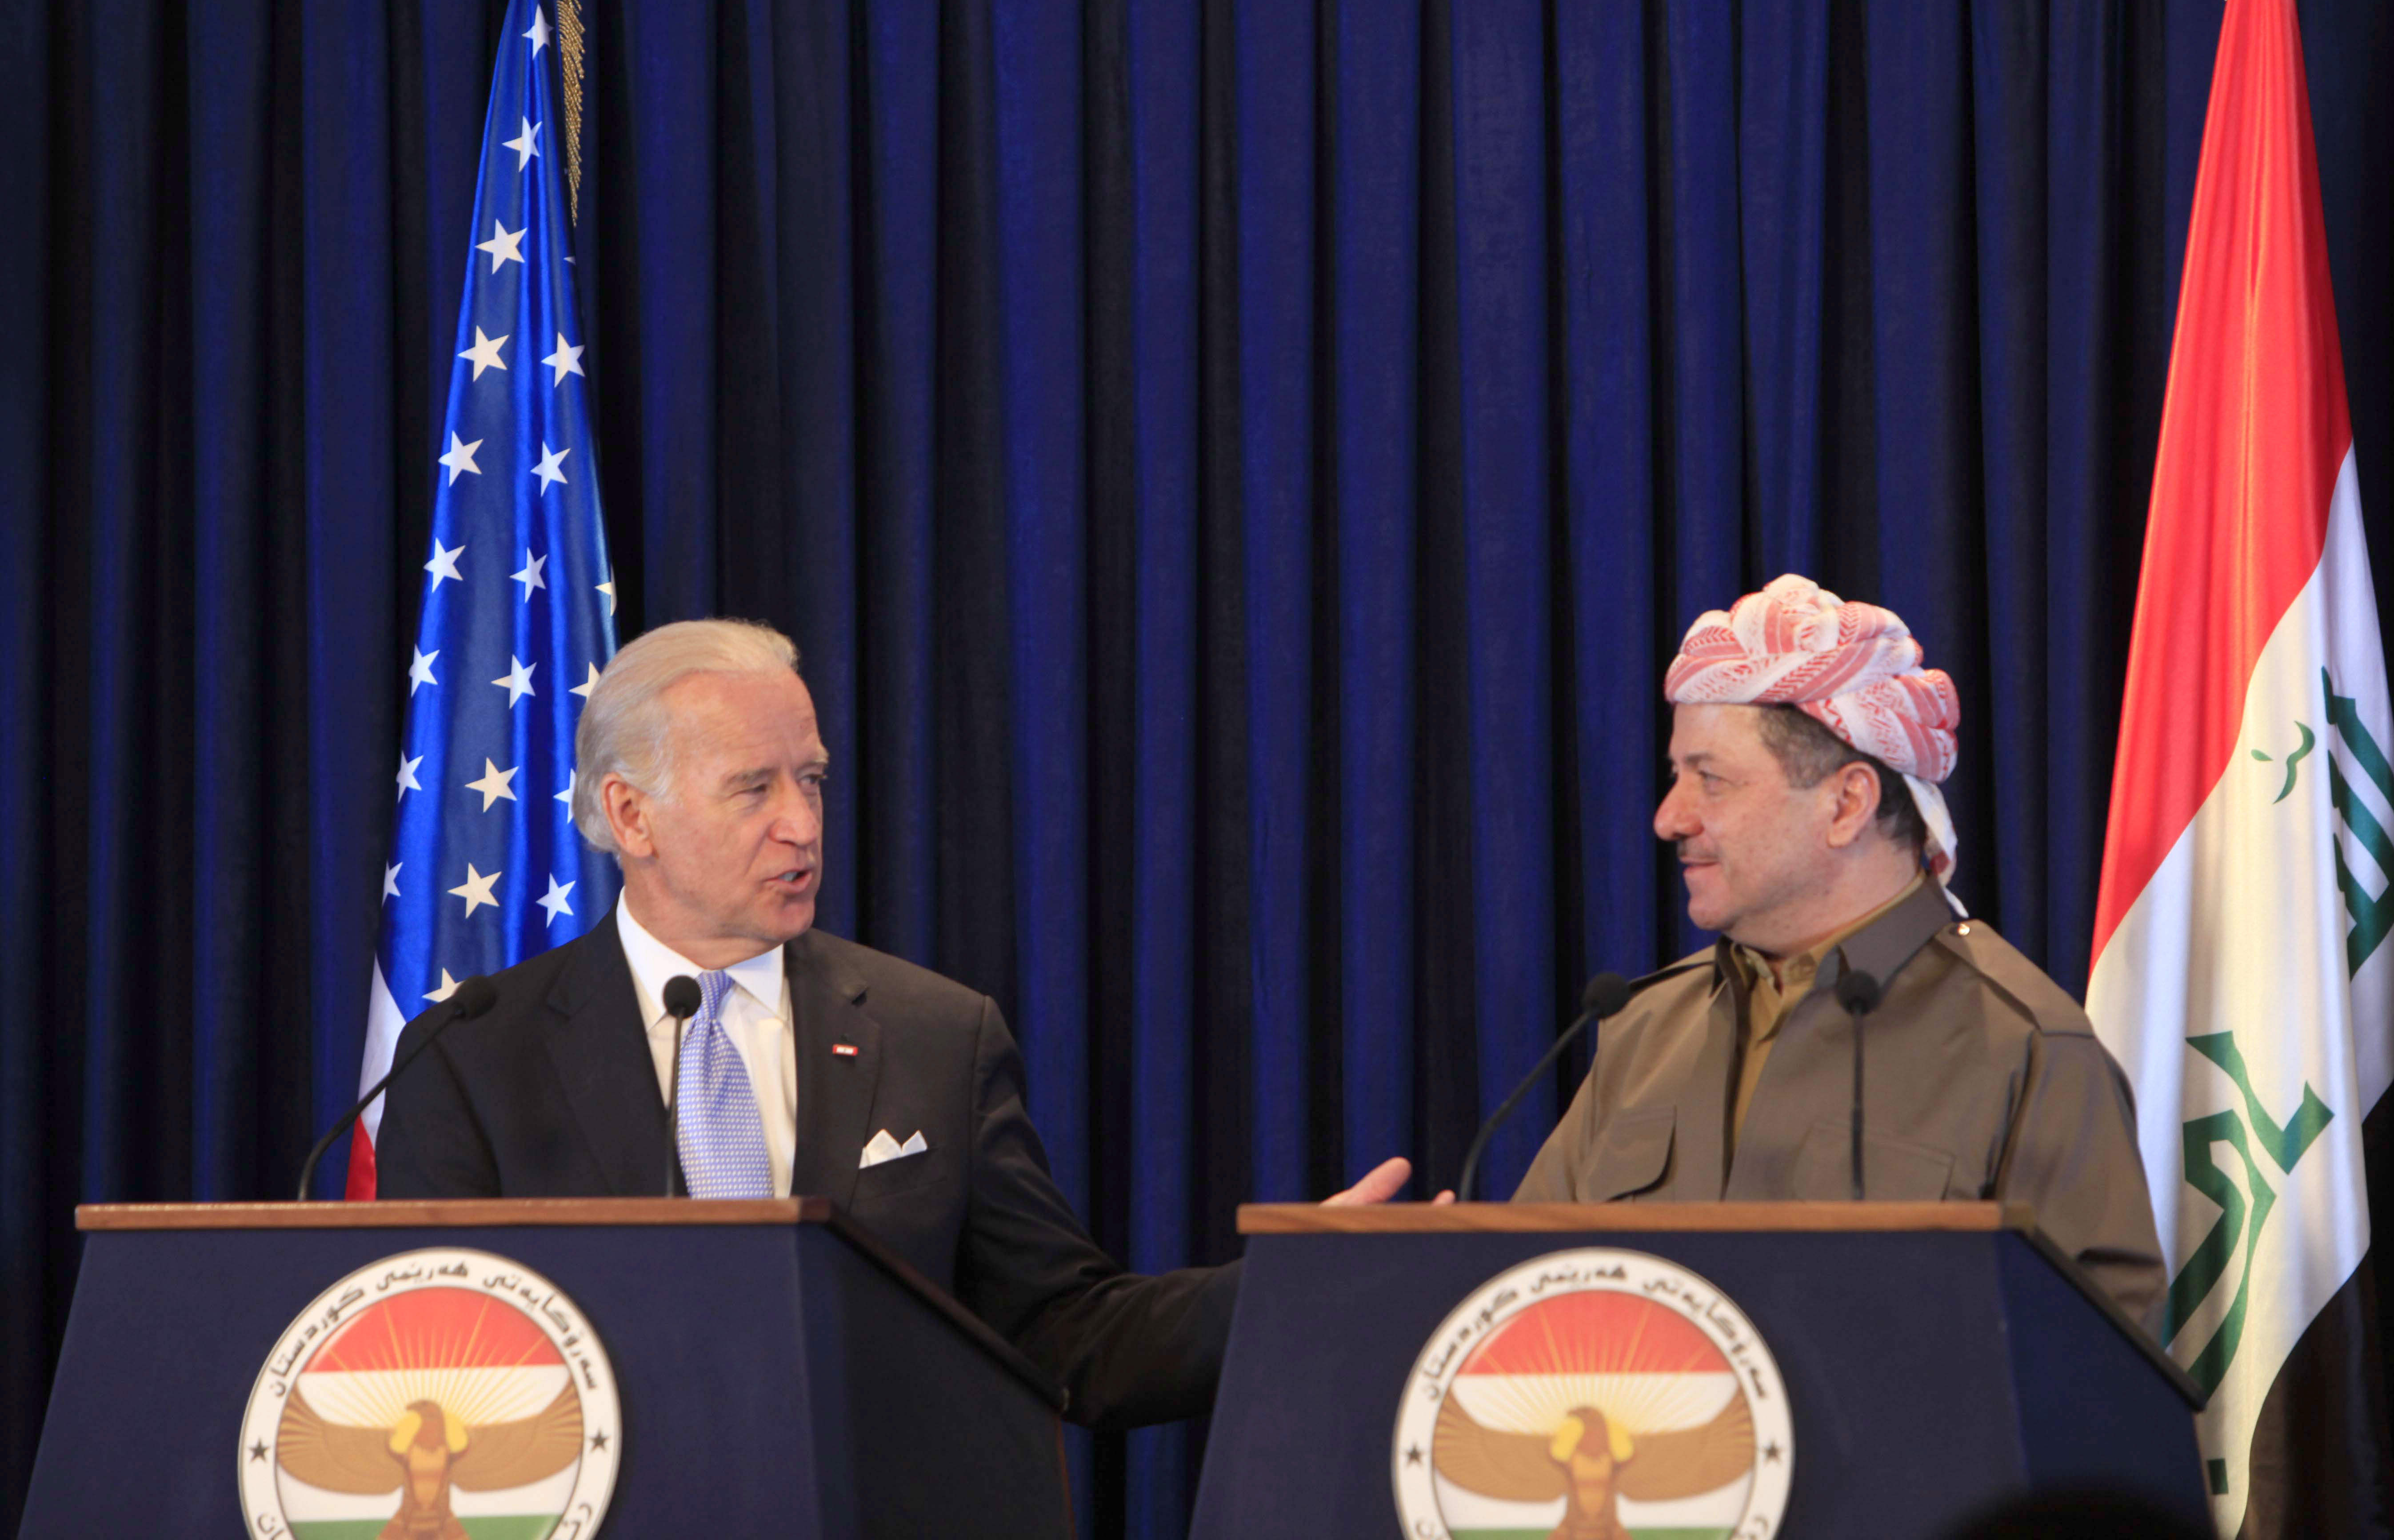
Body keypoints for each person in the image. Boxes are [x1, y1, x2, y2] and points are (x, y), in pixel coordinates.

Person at [377, 618, 1416, 1428]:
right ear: (632, 815)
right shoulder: (475, 1057)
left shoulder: (933, 1035)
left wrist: (1287, 1289)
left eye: (813, 779)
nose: (803, 821)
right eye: (755, 788)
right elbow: (443, 1374)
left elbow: (1064, 1335)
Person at [1511, 575, 2167, 1328]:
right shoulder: (1644, 1028)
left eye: (1710, 781)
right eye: (1675, 777)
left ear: (1847, 803)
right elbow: (1527, 1308)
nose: (1669, 818)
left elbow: (2101, 1398)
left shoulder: (2026, 1047)